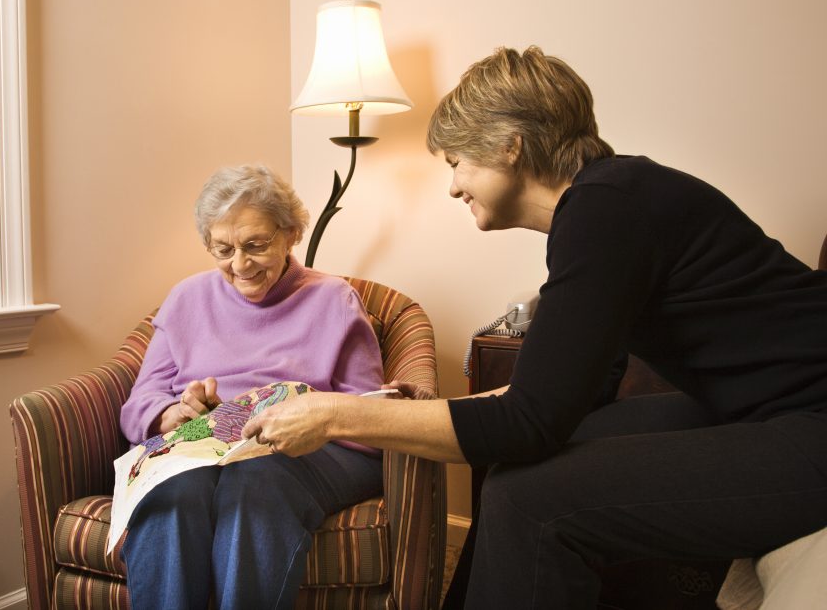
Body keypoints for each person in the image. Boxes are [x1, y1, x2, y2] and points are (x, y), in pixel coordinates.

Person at [242, 46, 827, 608]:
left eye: (457, 163)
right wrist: (416, 413)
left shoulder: (606, 210)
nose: (453, 186)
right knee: (522, 468)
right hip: (758, 406)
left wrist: (335, 413)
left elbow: (528, 422)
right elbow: (570, 398)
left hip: (810, 420)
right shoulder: (612, 200)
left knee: (530, 501)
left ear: (509, 147)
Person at [118, 164, 386, 610]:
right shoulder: (186, 299)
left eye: (255, 246)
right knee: (171, 489)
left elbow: (369, 418)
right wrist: (172, 415)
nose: (239, 264)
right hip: (204, 452)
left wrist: (303, 420)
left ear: (290, 234)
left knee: (254, 479)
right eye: (222, 249)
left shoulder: (333, 300)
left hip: (310, 453)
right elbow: (137, 404)